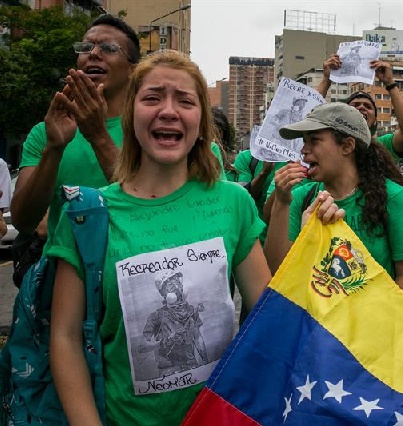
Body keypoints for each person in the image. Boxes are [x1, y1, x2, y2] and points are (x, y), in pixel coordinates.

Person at [49, 49, 271, 426]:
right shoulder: (87, 214)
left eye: (185, 101)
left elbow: (268, 316)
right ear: (132, 115)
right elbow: (65, 338)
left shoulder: (234, 202)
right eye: (152, 98)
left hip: (221, 416)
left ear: (200, 121)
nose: (168, 110)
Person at [10, 14, 139, 256]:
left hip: (131, 270)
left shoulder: (147, 130)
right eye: (86, 47)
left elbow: (141, 206)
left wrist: (98, 134)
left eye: (109, 48)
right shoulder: (46, 133)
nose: (94, 54)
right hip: (64, 278)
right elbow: (23, 221)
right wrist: (54, 148)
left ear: (133, 70)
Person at [264, 102, 403, 295]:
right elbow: (278, 271)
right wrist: (281, 203)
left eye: (314, 140)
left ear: (347, 146)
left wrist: (358, 313)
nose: (304, 150)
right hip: (315, 322)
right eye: (304, 142)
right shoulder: (300, 197)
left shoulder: (392, 196)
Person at [317, 56, 403, 164]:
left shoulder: (383, 146)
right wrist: (326, 80)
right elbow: (309, 118)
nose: (361, 107)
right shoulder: (331, 146)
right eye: (355, 105)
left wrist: (390, 83)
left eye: (368, 106)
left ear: (374, 119)